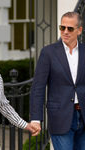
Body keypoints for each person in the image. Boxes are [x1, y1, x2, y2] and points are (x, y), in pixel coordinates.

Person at [30, 12, 85, 150]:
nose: (65, 32)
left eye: (70, 28)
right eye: (62, 27)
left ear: (79, 30)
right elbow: (38, 87)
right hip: (60, 117)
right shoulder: (48, 53)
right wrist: (36, 119)